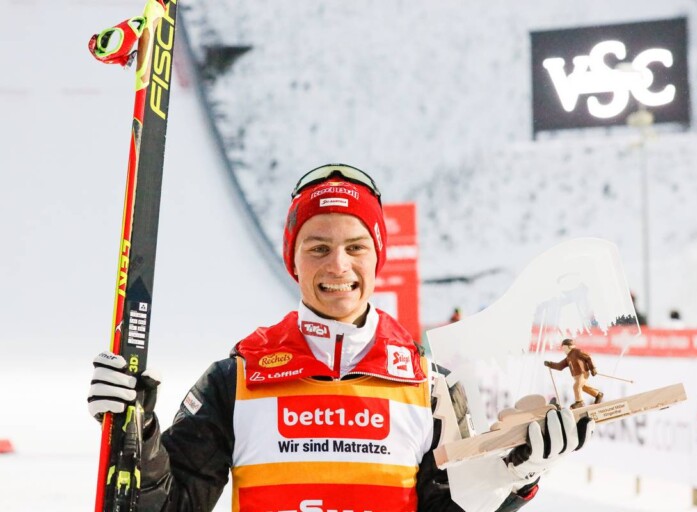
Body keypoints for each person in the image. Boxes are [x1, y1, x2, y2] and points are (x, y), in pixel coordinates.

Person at [88, 164, 595, 511]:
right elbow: (167, 504)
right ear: (293, 260)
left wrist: (514, 474)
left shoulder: (429, 387)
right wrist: (135, 433)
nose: (338, 266)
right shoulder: (235, 380)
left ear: (377, 258)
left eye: (356, 246)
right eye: (318, 247)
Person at [544, 338, 603, 409]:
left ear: (570, 346)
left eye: (564, 348)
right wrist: (550, 364)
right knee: (583, 387)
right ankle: (598, 394)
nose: (564, 351)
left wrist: (593, 368)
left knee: (576, 386)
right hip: (576, 376)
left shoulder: (577, 352)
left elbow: (588, 357)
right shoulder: (568, 358)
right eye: (563, 349)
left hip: (583, 373)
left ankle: (579, 402)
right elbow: (560, 366)